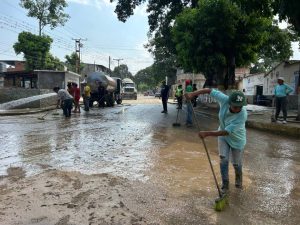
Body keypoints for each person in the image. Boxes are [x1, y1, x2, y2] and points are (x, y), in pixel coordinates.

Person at [185, 88, 247, 193]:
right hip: (222, 135)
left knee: (236, 163)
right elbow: (209, 90)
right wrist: (193, 94)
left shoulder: (242, 115)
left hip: (237, 139)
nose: (238, 109)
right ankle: (225, 186)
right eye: (236, 106)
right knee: (223, 159)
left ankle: (238, 182)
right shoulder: (224, 100)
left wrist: (207, 133)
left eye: (240, 106)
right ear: (230, 102)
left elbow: (227, 132)